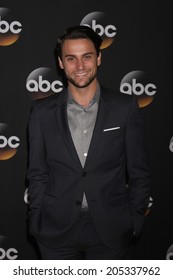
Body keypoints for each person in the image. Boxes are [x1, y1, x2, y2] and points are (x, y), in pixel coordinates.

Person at [27, 25, 151, 260]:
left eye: (87, 57)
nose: (80, 66)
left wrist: (134, 220)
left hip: (111, 230)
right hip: (55, 230)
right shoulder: (42, 112)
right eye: (71, 58)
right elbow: (37, 173)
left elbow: (139, 172)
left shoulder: (124, 107)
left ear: (99, 58)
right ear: (61, 63)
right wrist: (38, 218)